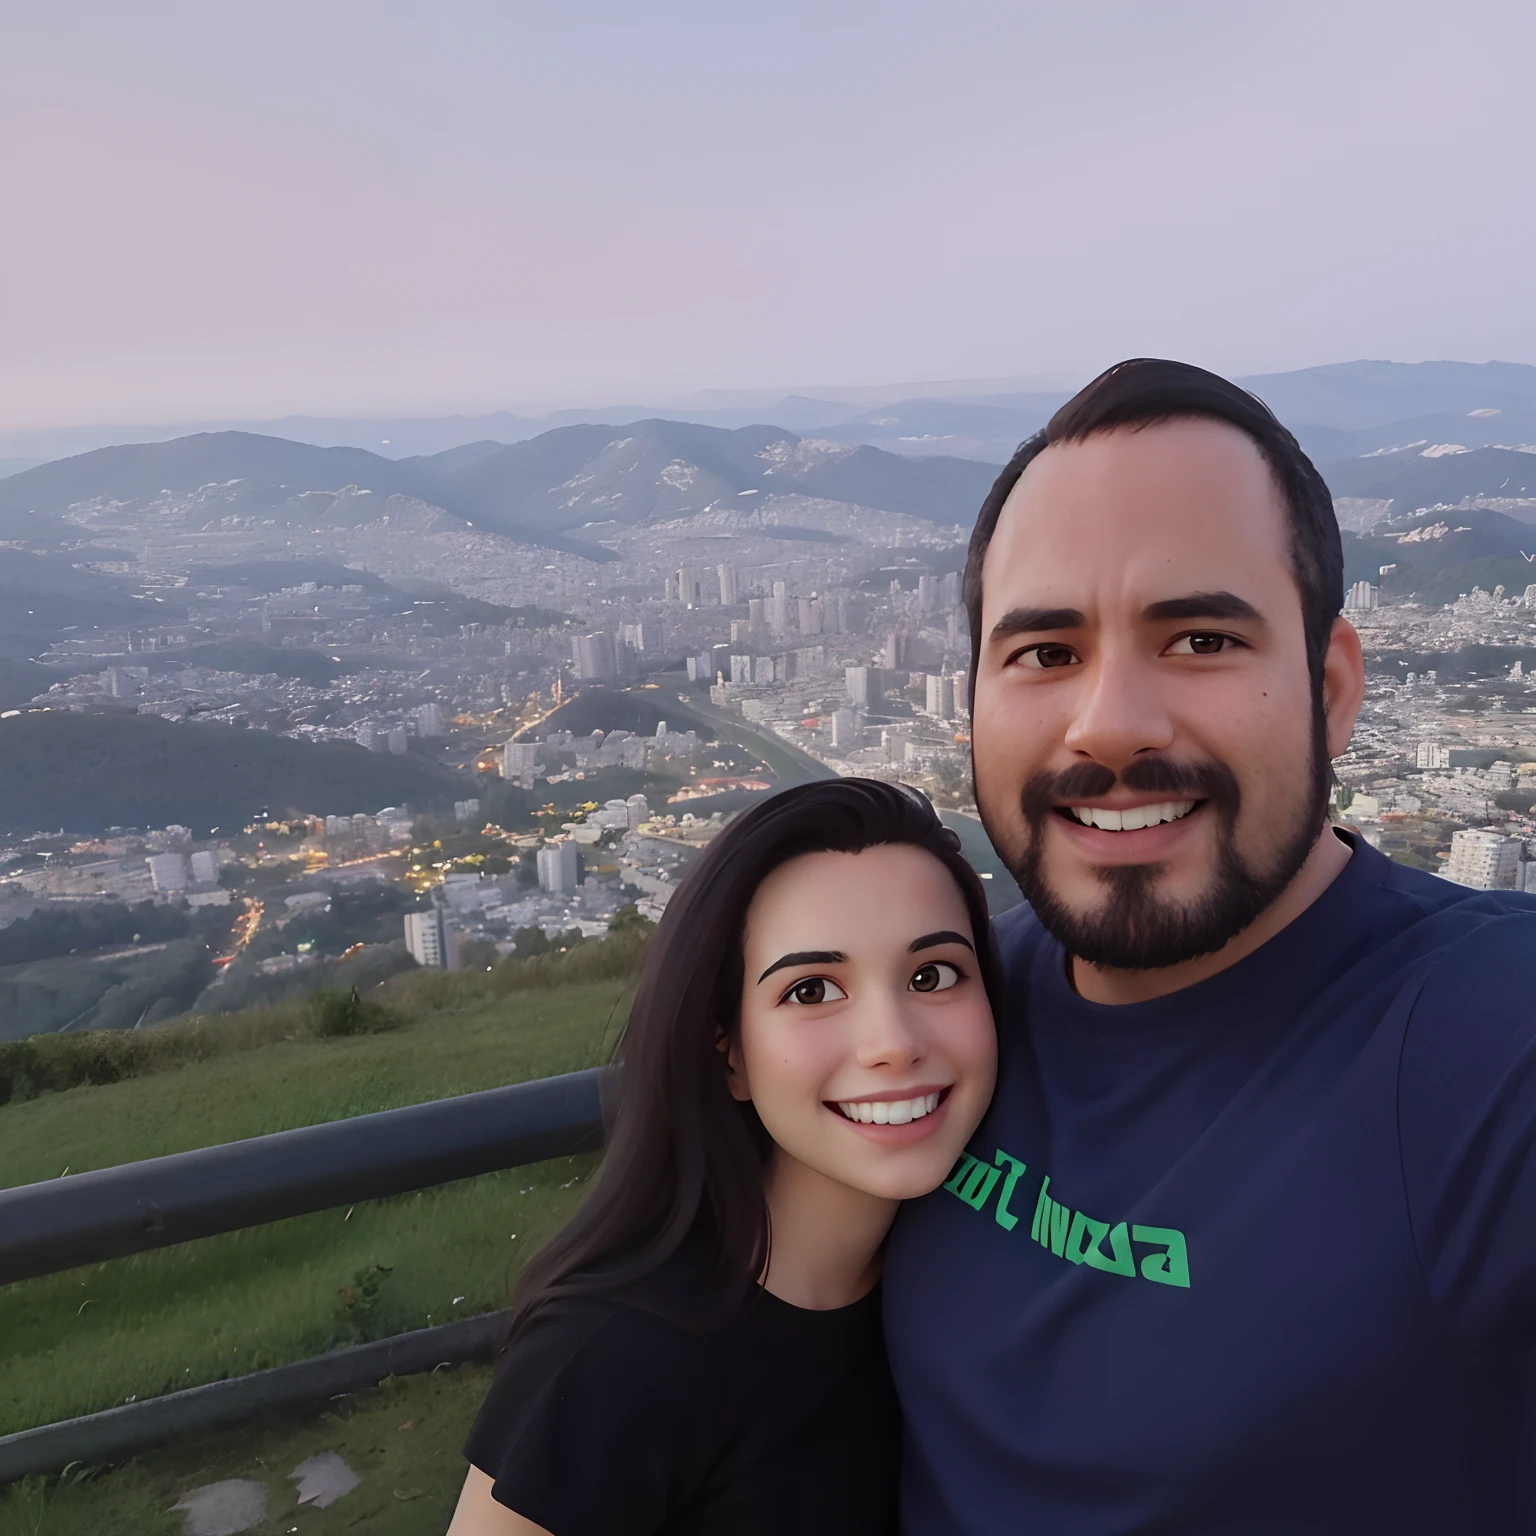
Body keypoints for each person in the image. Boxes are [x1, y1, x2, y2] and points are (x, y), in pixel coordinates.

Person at [884, 358, 1536, 1532]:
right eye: (1043, 651)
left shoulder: (1481, 1042)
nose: (1112, 724)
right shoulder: (943, 1006)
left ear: (1331, 688)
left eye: (1197, 640)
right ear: (971, 697)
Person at [448, 778, 999, 1536]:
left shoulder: (980, 1279)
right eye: (812, 991)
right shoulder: (615, 1360)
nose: (893, 1043)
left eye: (932, 975)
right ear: (729, 1054)